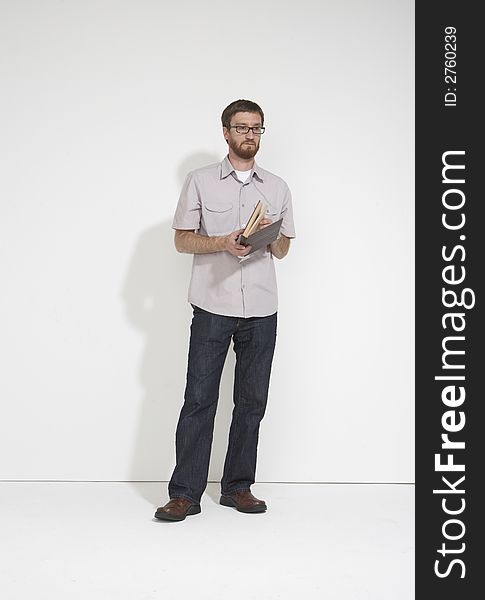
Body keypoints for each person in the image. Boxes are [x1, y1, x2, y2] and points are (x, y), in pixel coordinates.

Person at [154, 99, 296, 521]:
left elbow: (285, 248)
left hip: (262, 308)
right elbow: (182, 239)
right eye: (241, 128)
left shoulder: (278, 186)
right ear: (225, 132)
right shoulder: (200, 181)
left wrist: (268, 236)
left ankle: (238, 487)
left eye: (256, 128)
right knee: (199, 401)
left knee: (252, 402)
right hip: (213, 306)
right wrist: (222, 242)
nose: (249, 135)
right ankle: (185, 494)